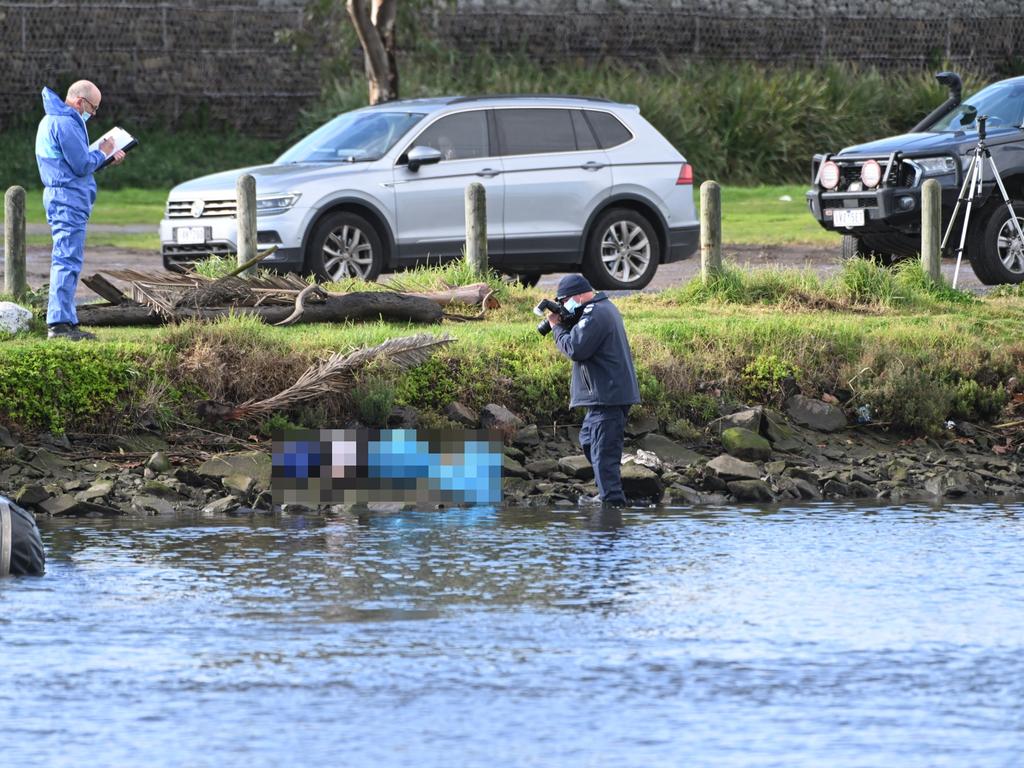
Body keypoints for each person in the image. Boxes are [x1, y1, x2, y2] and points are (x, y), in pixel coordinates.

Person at [35, 80, 125, 341]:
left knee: (68, 258)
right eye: (93, 108)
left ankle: (67, 320)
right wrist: (103, 152)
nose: (93, 114)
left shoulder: (52, 120)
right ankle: (59, 325)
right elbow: (81, 164)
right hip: (67, 198)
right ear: (80, 101)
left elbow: (73, 163)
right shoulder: (65, 122)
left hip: (63, 195)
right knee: (66, 259)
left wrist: (104, 159)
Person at [547, 274, 641, 506]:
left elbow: (576, 349)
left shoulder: (596, 314)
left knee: (603, 454)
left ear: (578, 295)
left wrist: (556, 327)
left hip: (607, 397)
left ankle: (612, 504)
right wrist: (567, 321)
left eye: (565, 301)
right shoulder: (598, 310)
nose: (564, 306)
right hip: (604, 396)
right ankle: (607, 494)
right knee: (590, 442)